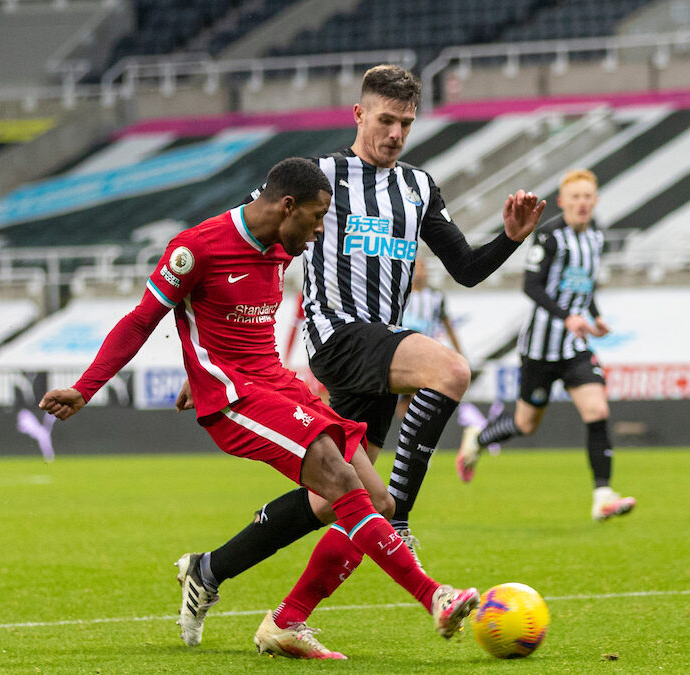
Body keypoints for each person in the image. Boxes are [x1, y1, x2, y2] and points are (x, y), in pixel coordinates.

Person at [38, 158, 479, 659]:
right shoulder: (196, 249)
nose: (317, 233)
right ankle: (434, 596)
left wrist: (196, 364)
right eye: (315, 219)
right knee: (338, 477)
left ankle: (279, 616)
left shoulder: (279, 246)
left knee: (378, 501)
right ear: (286, 206)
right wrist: (87, 386)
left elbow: (226, 324)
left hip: (276, 383)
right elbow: (142, 320)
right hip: (233, 398)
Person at [173, 64, 546, 648]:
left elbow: (467, 271)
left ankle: (226, 580)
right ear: (359, 115)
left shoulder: (419, 188)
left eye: (406, 123)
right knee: (451, 370)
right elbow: (234, 241)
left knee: (335, 499)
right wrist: (209, 357)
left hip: (381, 348)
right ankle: (399, 524)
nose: (396, 133)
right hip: (338, 337)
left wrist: (510, 238)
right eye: (386, 120)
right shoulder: (318, 178)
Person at [455, 169, 636, 522]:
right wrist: (567, 316)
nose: (582, 203)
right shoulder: (551, 237)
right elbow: (531, 286)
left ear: (595, 201)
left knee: (597, 411)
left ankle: (602, 496)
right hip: (540, 348)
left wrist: (594, 317)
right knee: (525, 425)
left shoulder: (596, 237)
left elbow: (585, 288)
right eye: (576, 197)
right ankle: (477, 439)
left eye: (588, 197)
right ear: (563, 202)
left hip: (575, 347)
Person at [396, 256, 464, 419]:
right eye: (416, 268)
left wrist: (458, 351)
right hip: (403, 353)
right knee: (403, 400)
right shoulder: (401, 294)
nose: (419, 273)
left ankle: (417, 434)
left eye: (422, 268)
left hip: (428, 353)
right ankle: (408, 434)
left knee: (421, 392)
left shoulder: (436, 297)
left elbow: (447, 324)